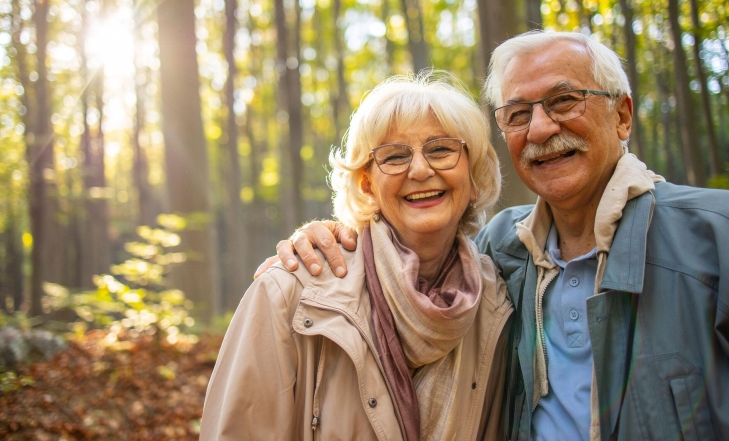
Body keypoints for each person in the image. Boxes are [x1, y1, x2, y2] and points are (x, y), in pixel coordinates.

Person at [267, 31, 729, 440]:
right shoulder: (499, 252)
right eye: (518, 113)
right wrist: (335, 234)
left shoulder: (714, 236)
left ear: (622, 116)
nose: (542, 128)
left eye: (564, 101)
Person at [201, 72, 514, 440]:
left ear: (473, 173)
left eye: (441, 149)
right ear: (367, 184)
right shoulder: (290, 293)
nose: (419, 169)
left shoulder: (499, 300)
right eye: (394, 156)